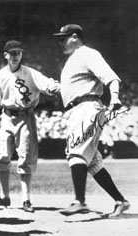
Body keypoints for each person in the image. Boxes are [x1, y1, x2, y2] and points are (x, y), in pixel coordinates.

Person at [53, 24, 130, 216]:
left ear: (75, 36)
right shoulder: (73, 60)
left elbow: (111, 77)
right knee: (92, 162)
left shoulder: (87, 54)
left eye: (63, 38)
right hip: (76, 110)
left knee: (76, 152)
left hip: (87, 107)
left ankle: (79, 201)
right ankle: (121, 201)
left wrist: (115, 96)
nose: (60, 42)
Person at [0, 40, 59, 212]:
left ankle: (26, 199)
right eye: (12, 53)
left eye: (18, 53)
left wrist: (53, 86)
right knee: (2, 156)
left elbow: (46, 84)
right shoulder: (0, 75)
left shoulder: (30, 73)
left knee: (25, 157)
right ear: (5, 55)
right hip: (5, 117)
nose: (15, 56)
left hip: (25, 116)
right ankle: (5, 197)